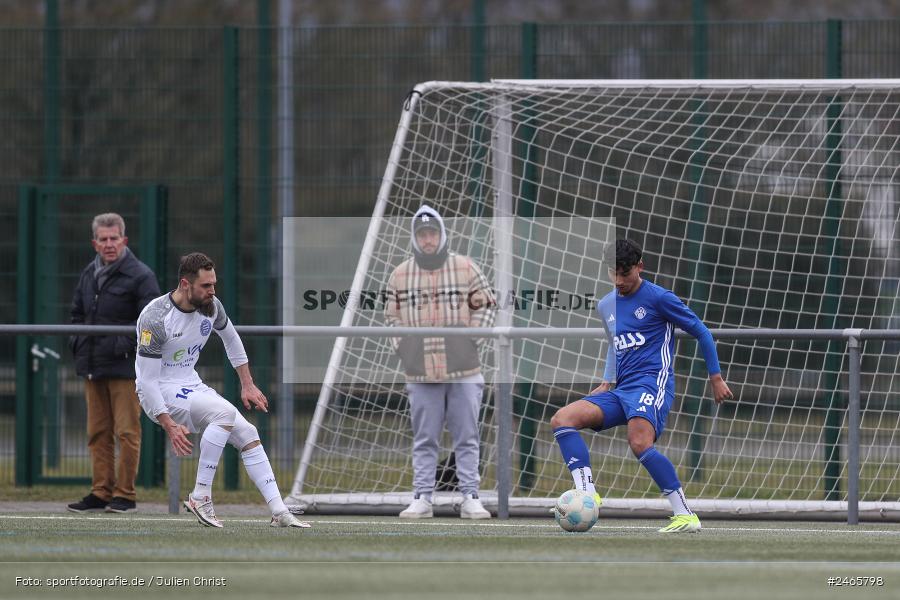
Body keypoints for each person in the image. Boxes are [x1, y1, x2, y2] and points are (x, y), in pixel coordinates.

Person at [550, 239, 733, 533]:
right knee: (563, 419)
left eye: (626, 274)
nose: (620, 281)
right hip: (621, 389)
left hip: (652, 383)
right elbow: (614, 345)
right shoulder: (606, 304)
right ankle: (587, 494)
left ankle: (685, 515)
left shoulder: (660, 298)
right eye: (614, 274)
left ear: (640, 267)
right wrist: (607, 381)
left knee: (639, 443)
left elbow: (701, 331)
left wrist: (716, 377)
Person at [134, 252, 308, 528]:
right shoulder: (155, 319)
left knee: (249, 433)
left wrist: (247, 384)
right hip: (160, 392)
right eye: (206, 286)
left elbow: (231, 339)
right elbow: (146, 382)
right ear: (185, 284)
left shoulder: (211, 307)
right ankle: (200, 495)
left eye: (214, 284)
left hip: (190, 384)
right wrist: (167, 423)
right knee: (224, 413)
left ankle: (279, 511)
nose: (212, 291)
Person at [386, 205, 497, 519]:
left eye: (432, 233)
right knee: (425, 438)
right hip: (420, 374)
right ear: (415, 237)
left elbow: (487, 304)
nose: (428, 240)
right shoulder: (400, 274)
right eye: (422, 234)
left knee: (467, 436)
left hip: (464, 371)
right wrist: (406, 348)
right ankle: (422, 496)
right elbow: (391, 318)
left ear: (442, 234)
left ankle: (470, 497)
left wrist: (471, 340)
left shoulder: (465, 267)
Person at [67, 213, 161, 514]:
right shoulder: (87, 274)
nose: (109, 244)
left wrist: (123, 346)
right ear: (95, 243)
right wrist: (77, 342)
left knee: (127, 432)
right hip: (93, 366)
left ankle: (125, 494)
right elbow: (77, 314)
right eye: (103, 239)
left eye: (114, 238)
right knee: (97, 432)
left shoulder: (141, 275)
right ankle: (100, 492)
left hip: (125, 368)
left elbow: (153, 320)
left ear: (125, 240)